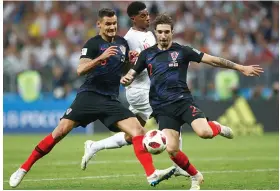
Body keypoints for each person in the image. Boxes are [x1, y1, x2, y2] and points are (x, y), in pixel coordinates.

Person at [9, 9, 176, 188]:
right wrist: (100, 58)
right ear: (99, 25)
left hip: (110, 100)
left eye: (114, 24)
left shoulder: (122, 43)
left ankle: (151, 174)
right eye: (108, 24)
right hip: (89, 96)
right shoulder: (93, 44)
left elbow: (125, 67)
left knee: (138, 131)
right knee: (59, 132)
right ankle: (23, 169)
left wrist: (132, 62)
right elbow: (80, 70)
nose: (112, 27)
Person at [120, 14, 264, 190]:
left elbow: (212, 60)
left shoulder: (182, 51)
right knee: (172, 150)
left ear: (172, 32)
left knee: (204, 133)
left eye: (166, 32)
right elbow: (132, 73)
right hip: (162, 108)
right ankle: (196, 176)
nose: (163, 35)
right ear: (155, 33)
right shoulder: (147, 54)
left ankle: (216, 127)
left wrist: (241, 67)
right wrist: (127, 78)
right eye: (160, 32)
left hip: (183, 102)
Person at [81, 1, 188, 178]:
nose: (148, 18)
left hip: (150, 88)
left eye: (148, 14)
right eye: (143, 15)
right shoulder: (130, 39)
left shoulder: (149, 35)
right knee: (173, 117)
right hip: (140, 89)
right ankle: (179, 165)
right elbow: (127, 64)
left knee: (133, 134)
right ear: (133, 18)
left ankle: (94, 146)